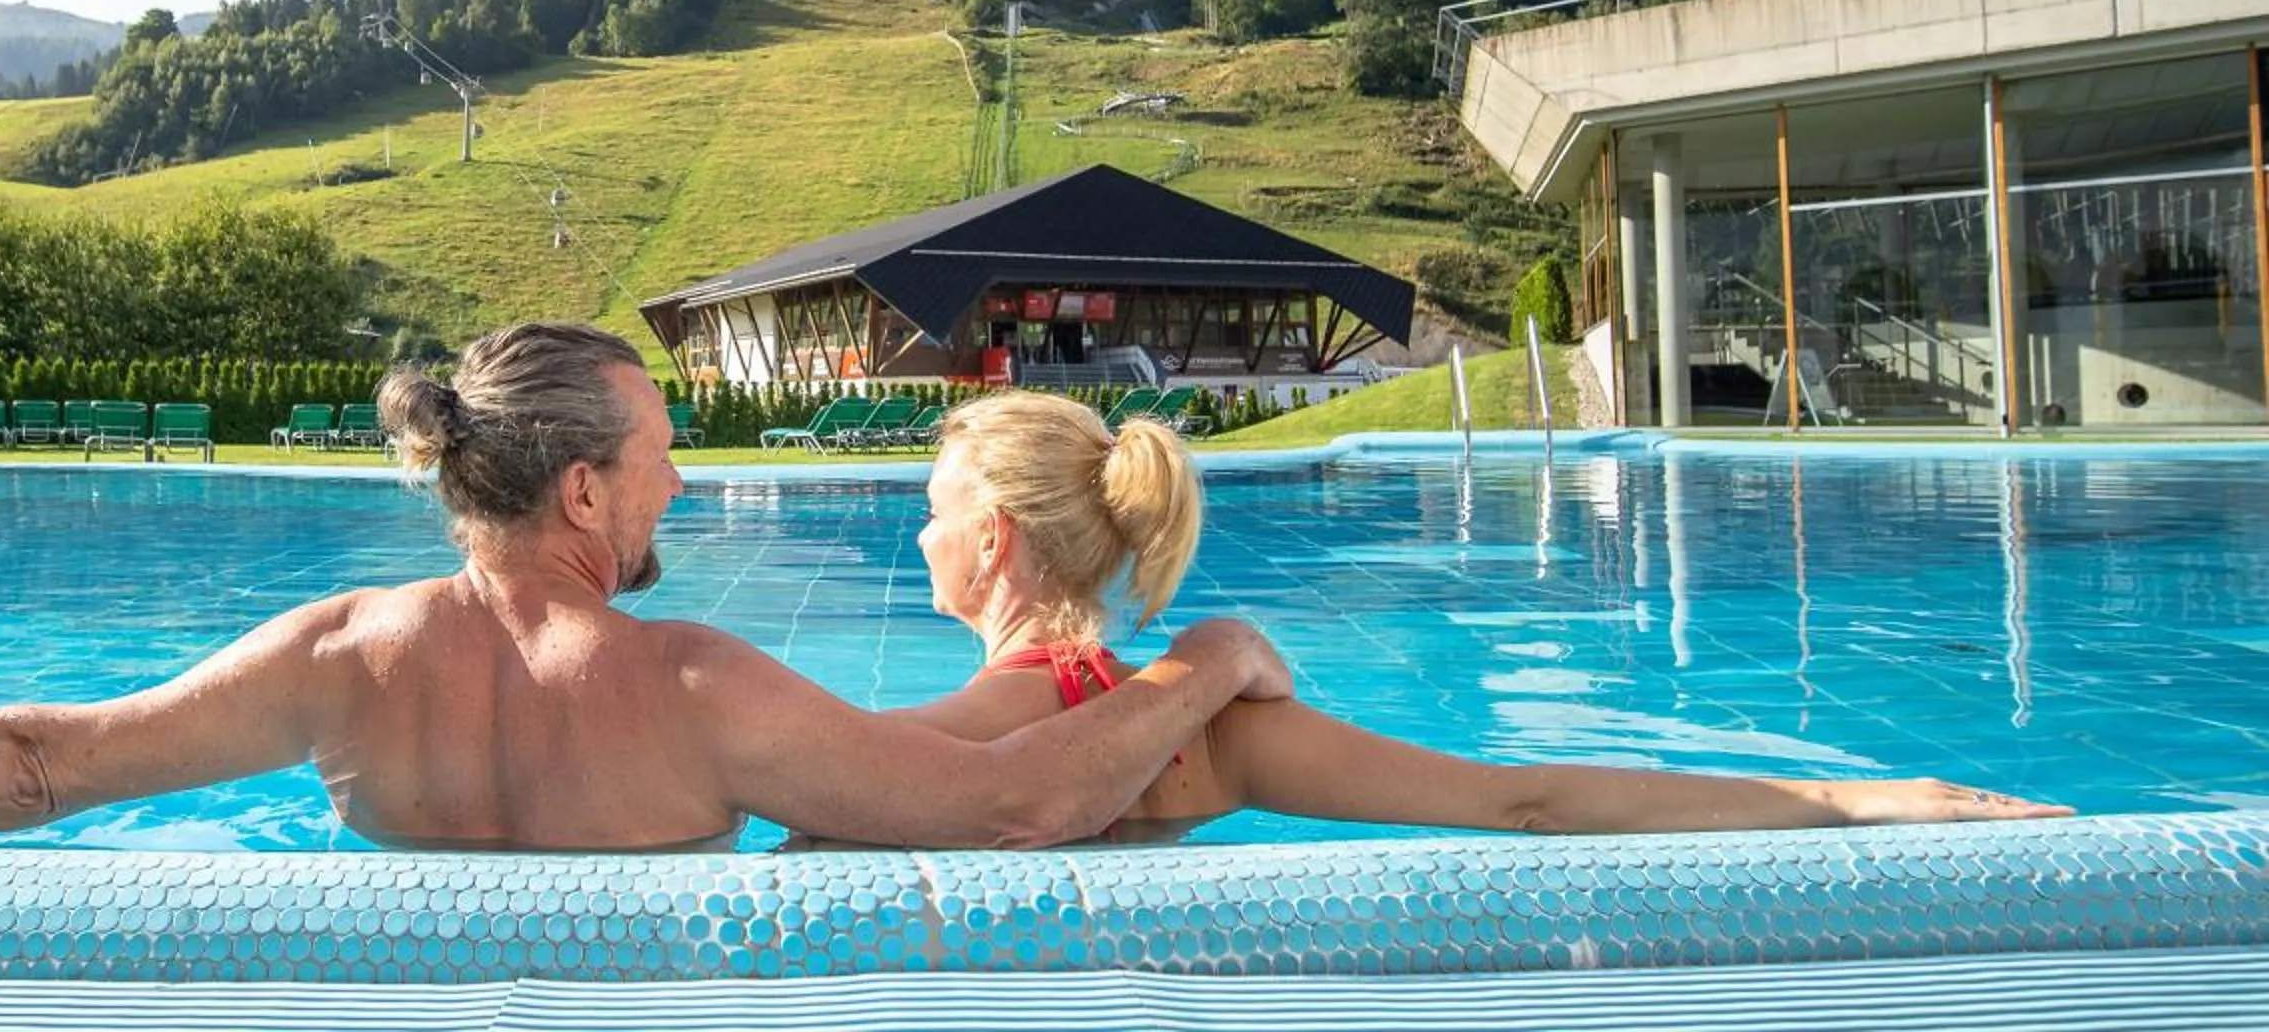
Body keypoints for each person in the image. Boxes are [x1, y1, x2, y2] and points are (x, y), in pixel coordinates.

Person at [0, 326, 1290, 886]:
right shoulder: (698, 683)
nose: (682, 487)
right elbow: (1015, 809)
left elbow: (30, 762)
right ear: (579, 494)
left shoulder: (341, 661)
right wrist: (1203, 661)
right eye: (657, 460)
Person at [866, 390, 2069, 839]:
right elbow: (1521, 796)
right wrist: (1846, 798)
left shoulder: (966, 733)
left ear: (993, 537)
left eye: (932, 509)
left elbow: (817, 809)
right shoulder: (1206, 721)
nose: (919, 534)